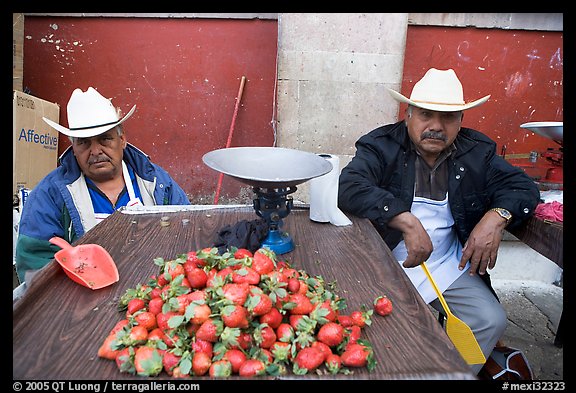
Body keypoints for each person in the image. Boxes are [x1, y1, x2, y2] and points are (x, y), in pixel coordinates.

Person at [338, 68, 540, 375]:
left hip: (446, 262)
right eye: (426, 115)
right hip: (383, 259)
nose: (436, 126)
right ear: (408, 116)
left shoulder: (478, 151)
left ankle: (443, 372)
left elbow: (523, 188)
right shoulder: (380, 145)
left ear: (460, 122)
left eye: (447, 118)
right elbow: (349, 186)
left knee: (490, 319)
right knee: (377, 330)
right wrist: (404, 219)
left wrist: (496, 217)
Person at [15, 87, 191, 283]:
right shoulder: (49, 195)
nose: (96, 150)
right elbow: (34, 263)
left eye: (105, 139)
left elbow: (187, 235)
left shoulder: (157, 183)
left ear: (122, 139)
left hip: (154, 290)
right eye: (84, 143)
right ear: (73, 148)